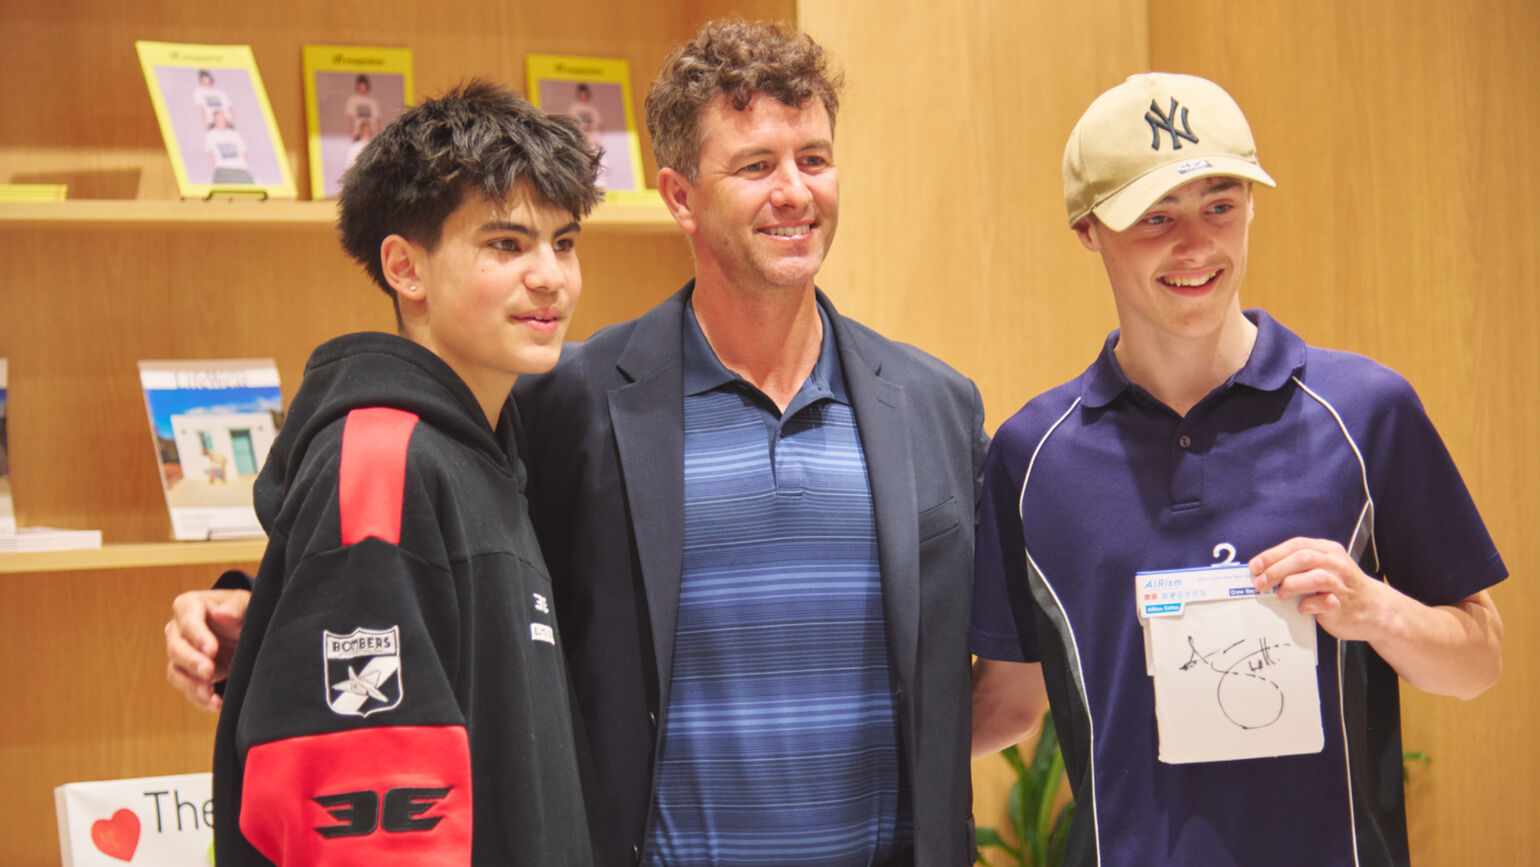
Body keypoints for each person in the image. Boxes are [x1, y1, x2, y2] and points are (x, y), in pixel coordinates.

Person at [168, 19, 987, 867]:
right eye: (754, 165)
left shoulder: (937, 406)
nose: (793, 190)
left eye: (813, 159)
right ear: (679, 196)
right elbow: (407, 553)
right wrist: (263, 610)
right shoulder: (562, 403)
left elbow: (990, 678)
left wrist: (262, 615)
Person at [968, 72, 1506, 866]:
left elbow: (1478, 660)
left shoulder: (1366, 412)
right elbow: (1009, 705)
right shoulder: (1032, 455)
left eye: (1221, 204)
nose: (1196, 246)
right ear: (1088, 228)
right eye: (1156, 217)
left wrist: (1373, 608)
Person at [207, 80, 602, 865]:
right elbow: (358, 814)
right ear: (406, 268)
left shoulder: (487, 451)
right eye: (506, 244)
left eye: (563, 241)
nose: (551, 275)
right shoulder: (383, 459)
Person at [343, 74, 382, 140]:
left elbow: (377, 119)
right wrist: (352, 134)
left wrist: (378, 134)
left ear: (367, 86)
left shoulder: (373, 102)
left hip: (371, 134)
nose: (362, 88)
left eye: (364, 85)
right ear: (357, 86)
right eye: (360, 85)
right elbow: (350, 118)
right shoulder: (352, 100)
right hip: (357, 134)